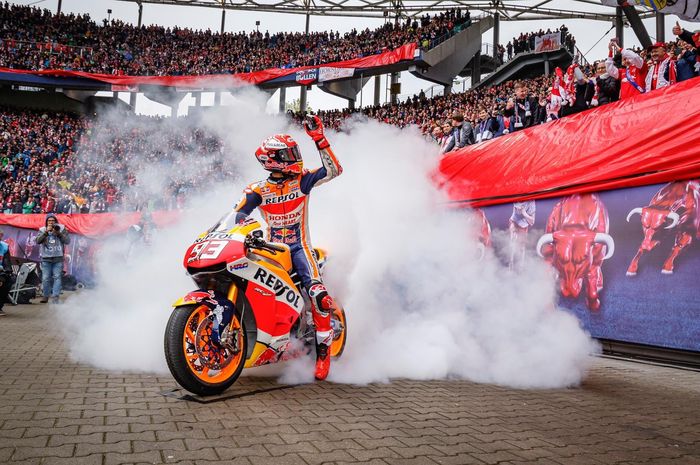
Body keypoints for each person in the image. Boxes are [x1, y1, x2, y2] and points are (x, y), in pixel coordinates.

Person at [233, 115, 342, 381]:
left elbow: (334, 171)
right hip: (272, 249)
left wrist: (319, 138)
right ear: (272, 160)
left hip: (300, 249)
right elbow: (237, 217)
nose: (295, 156)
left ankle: (323, 355)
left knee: (318, 295)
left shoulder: (302, 181)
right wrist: (246, 231)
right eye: (288, 153)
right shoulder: (256, 190)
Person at [36, 214, 70, 304]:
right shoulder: (42, 230)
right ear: (46, 222)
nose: (51, 222)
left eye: (53, 221)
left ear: (56, 222)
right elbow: (38, 241)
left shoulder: (62, 229)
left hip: (58, 258)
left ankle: (55, 296)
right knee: (46, 278)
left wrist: (58, 234)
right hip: (46, 258)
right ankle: (46, 296)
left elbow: (67, 241)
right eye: (49, 221)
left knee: (57, 277)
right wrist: (46, 232)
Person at [0, 230, 12, 316]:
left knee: (8, 281)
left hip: (0, 271)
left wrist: (4, 276)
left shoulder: (4, 247)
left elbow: (7, 263)